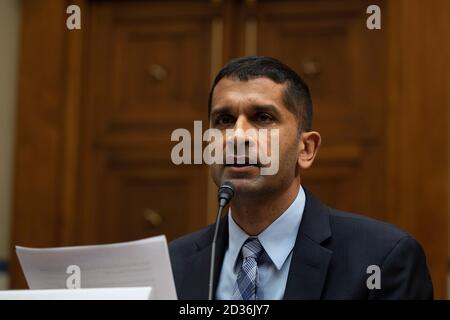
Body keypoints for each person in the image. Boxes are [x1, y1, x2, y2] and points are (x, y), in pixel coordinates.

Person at [169, 56, 433, 300]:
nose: (237, 136)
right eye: (224, 120)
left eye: (262, 117)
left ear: (306, 149)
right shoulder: (173, 264)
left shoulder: (382, 260)